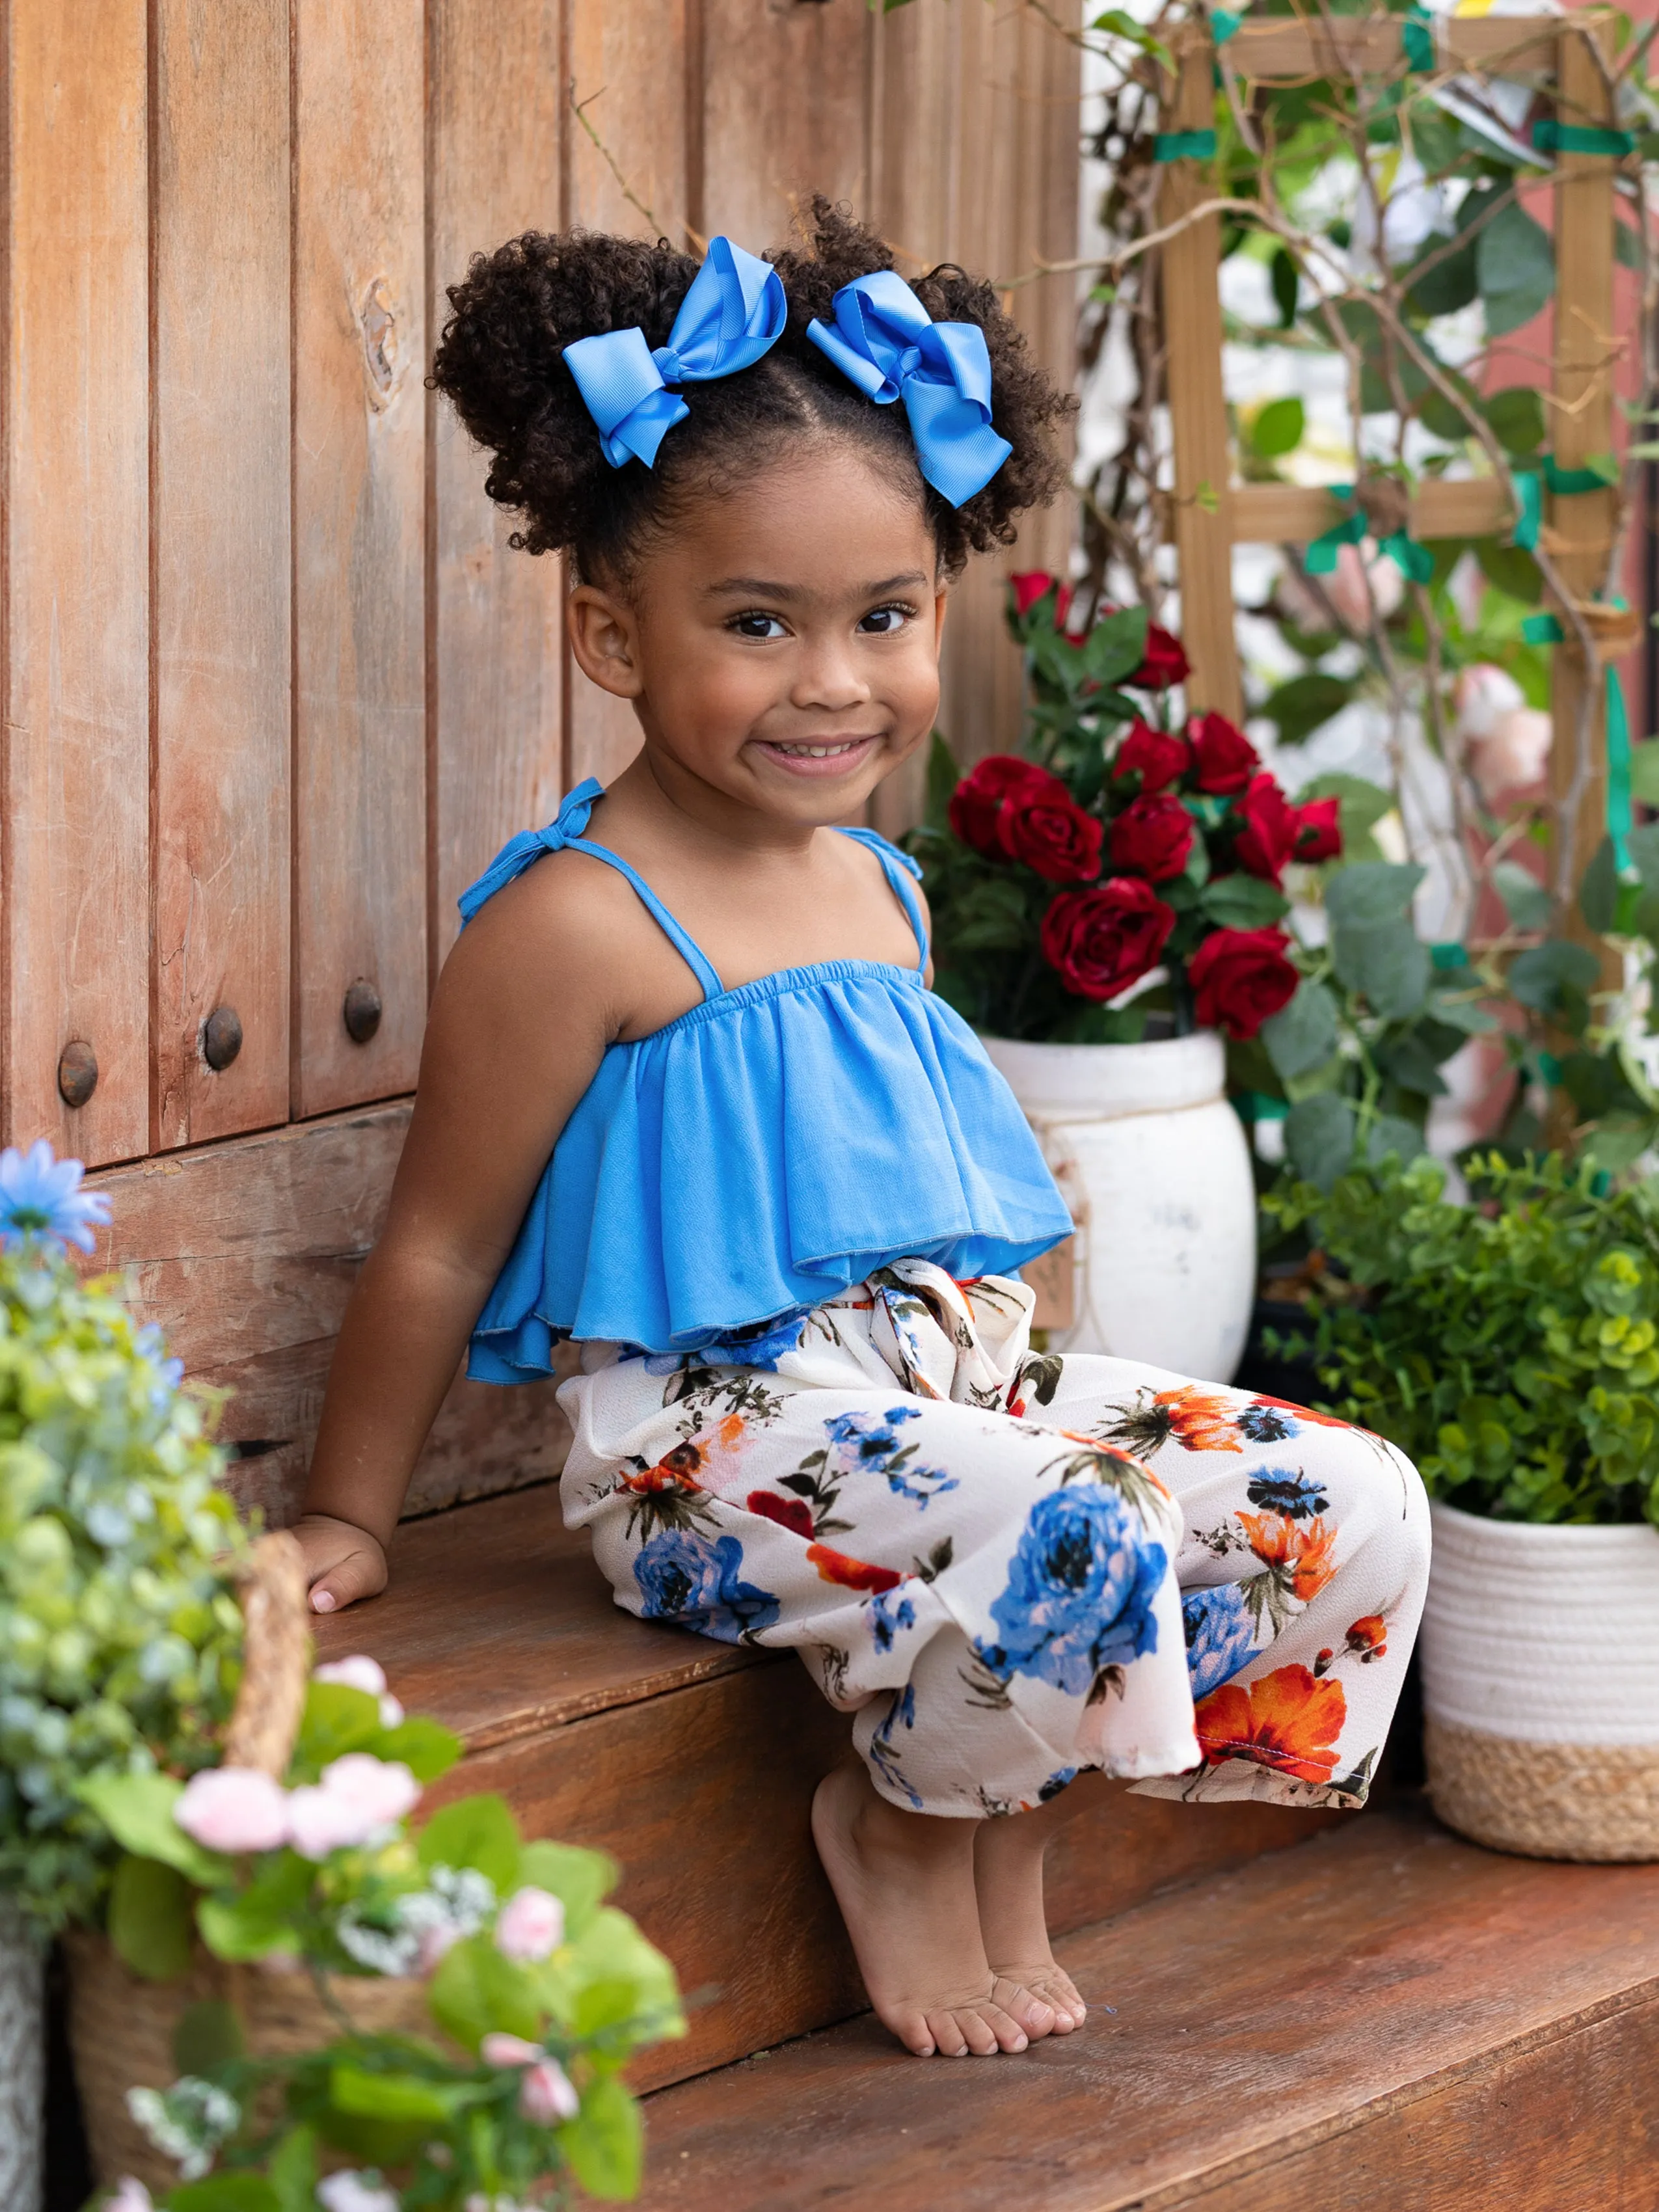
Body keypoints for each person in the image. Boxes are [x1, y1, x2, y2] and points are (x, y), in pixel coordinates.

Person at [293, 201, 1431, 2062]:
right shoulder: (572, 921)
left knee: (1349, 1503)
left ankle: (1005, 1815)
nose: (834, 681)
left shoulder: (882, 888)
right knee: (1079, 1524)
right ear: (609, 631)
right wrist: (348, 1510)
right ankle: (903, 1826)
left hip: (951, 1400)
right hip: (710, 1451)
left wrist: (1050, 1337)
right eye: (757, 624)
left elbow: (933, 1171)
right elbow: (434, 1237)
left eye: (882, 618)